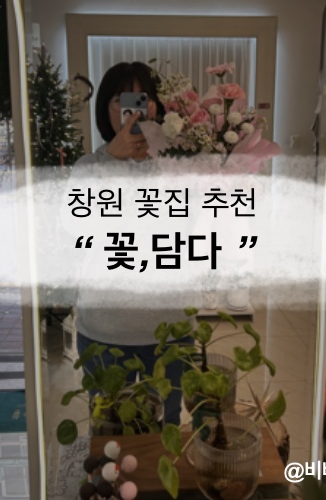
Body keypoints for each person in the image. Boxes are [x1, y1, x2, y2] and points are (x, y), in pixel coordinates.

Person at [74, 62, 192, 426]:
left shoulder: (178, 164)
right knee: (112, 437)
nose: (133, 109)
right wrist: (113, 159)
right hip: (104, 331)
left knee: (165, 432)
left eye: (143, 98)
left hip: (170, 330)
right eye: (120, 99)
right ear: (104, 109)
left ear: (155, 106)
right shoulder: (88, 167)